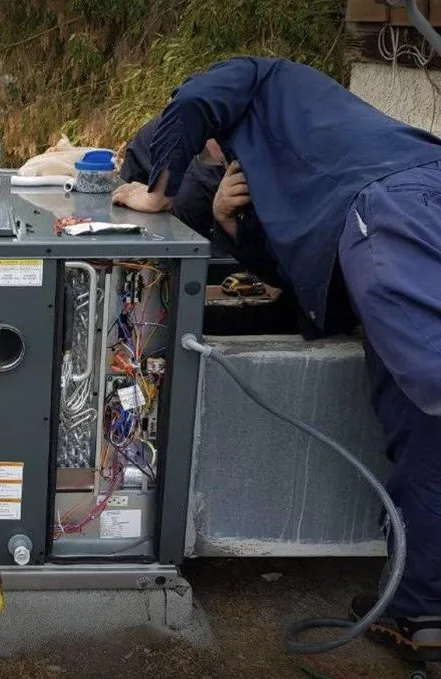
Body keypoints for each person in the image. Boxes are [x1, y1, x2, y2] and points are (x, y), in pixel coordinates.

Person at [113, 56, 441, 661]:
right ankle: (420, 607)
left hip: (405, 205)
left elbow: (190, 103)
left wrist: (155, 191)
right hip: (395, 222)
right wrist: (230, 225)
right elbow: (307, 280)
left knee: (431, 379)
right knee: (421, 427)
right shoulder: (292, 162)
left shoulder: (257, 76)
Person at [121, 117, 357, 339]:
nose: (215, 150)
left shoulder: (292, 164)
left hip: (326, 297)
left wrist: (227, 220)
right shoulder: (192, 157)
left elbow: (300, 280)